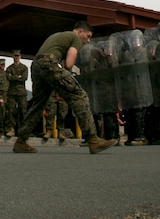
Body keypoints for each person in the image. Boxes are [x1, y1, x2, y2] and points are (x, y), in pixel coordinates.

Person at [12, 21, 116, 155]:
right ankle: (93, 139)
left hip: (37, 64)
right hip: (49, 63)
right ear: (79, 32)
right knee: (79, 95)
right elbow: (68, 64)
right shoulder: (75, 38)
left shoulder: (58, 36)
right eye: (88, 36)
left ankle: (21, 141)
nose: (88, 41)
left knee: (38, 103)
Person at [5, 49, 29, 137]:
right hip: (11, 93)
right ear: (12, 56)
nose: (16, 58)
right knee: (10, 111)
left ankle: (23, 129)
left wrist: (14, 77)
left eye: (18, 56)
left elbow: (24, 78)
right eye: (15, 56)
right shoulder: (9, 68)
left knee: (23, 111)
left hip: (21, 93)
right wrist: (18, 77)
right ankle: (11, 129)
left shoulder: (24, 68)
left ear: (20, 56)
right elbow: (8, 78)